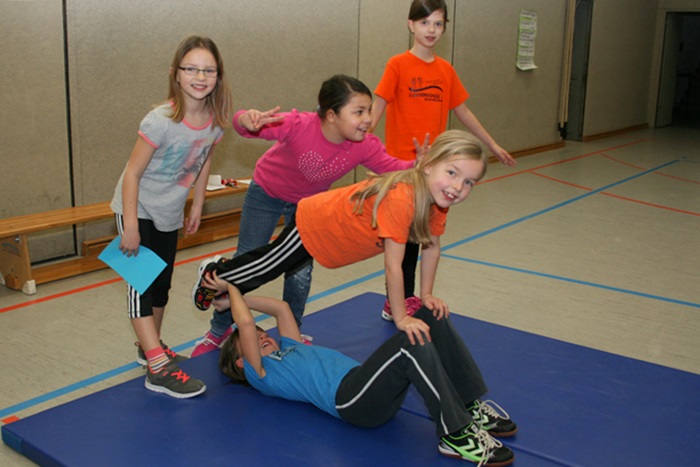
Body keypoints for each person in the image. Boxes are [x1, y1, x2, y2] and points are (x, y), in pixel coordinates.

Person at [191, 74, 418, 357]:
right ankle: (218, 330)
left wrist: (420, 165)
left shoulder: (365, 145)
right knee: (247, 259)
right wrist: (245, 120)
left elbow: (394, 168)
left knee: (300, 272)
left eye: (369, 110)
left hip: (307, 208)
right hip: (266, 193)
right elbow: (247, 127)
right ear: (332, 115)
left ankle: (291, 330)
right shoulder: (300, 124)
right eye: (359, 112)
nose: (368, 119)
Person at [192, 129, 485, 345]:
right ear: (429, 164)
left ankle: (225, 289)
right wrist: (401, 317)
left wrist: (426, 295)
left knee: (271, 264)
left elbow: (431, 247)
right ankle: (215, 275)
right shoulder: (403, 199)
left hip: (330, 238)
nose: (458, 187)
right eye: (452, 172)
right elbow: (393, 266)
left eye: (469, 182)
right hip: (317, 223)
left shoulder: (436, 202)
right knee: (268, 265)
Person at [217, 281, 517, 466]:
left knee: (429, 318)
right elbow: (245, 324)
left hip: (366, 383)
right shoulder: (262, 374)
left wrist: (234, 298)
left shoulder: (290, 345)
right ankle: (455, 434)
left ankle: (468, 405)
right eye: (253, 341)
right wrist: (232, 286)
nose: (261, 336)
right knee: (409, 344)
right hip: (351, 401)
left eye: (263, 333)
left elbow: (281, 308)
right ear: (242, 362)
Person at [370, 0, 517, 322]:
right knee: (403, 237)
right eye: (425, 23)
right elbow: (377, 106)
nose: (432, 30)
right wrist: (360, 142)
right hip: (403, 168)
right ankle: (397, 301)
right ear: (411, 25)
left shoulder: (445, 71)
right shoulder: (397, 65)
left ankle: (409, 298)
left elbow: (463, 111)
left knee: (425, 235)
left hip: (436, 171)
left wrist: (491, 143)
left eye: (438, 24)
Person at [109, 35, 232, 398]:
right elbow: (132, 174)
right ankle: (158, 367)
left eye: (208, 70)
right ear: (175, 74)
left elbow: (204, 159)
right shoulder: (159, 120)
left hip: (169, 211)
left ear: (218, 76)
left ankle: (149, 348)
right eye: (191, 69)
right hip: (136, 207)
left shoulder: (214, 122)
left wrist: (197, 203)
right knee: (141, 286)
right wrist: (131, 225)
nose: (200, 77)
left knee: (161, 285)